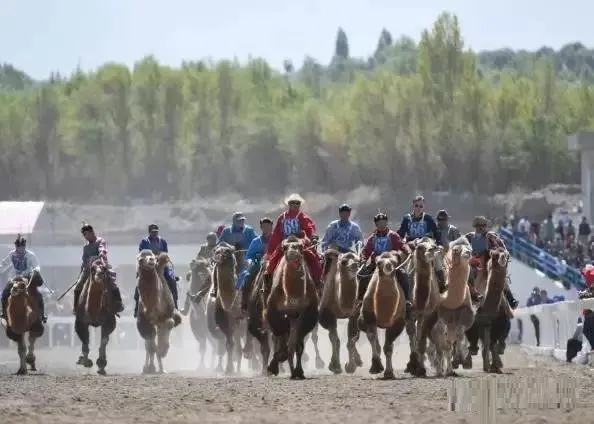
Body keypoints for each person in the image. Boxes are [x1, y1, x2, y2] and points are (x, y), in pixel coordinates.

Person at [262, 193, 323, 297]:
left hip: (300, 242)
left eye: (298, 203)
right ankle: (267, 283)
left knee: (313, 257)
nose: (295, 205)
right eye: (293, 203)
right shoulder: (282, 217)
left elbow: (309, 228)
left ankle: (318, 281)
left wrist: (312, 236)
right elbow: (276, 234)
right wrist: (270, 251)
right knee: (274, 258)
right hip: (286, 242)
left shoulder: (302, 216)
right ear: (288, 204)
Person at [357, 213, 412, 317]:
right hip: (377, 264)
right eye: (379, 223)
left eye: (383, 222)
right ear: (376, 224)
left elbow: (402, 245)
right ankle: (360, 301)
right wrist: (363, 258)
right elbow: (366, 251)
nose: (381, 225)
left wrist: (408, 251)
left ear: (387, 223)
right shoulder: (372, 238)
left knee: (404, 276)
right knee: (362, 276)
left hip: (391, 264)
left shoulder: (393, 236)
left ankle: (407, 301)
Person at [464, 216, 519, 307]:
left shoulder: (492, 236)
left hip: (490, 260)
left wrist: (499, 252)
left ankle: (510, 299)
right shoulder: (469, 237)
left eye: (483, 225)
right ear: (475, 227)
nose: (480, 228)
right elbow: (462, 247)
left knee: (500, 275)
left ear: (486, 226)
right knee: (468, 274)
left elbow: (503, 249)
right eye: (478, 226)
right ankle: (469, 296)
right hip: (475, 262)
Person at [72, 223, 124, 315]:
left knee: (113, 283)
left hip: (101, 266)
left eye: (86, 234)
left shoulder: (100, 241)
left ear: (92, 232)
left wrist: (101, 261)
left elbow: (102, 252)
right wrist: (83, 270)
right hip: (89, 269)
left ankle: (118, 303)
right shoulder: (85, 247)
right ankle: (76, 308)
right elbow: (84, 259)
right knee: (78, 286)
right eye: (84, 235)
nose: (85, 236)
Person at [397, 195, 445, 291]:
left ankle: (441, 280)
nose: (418, 208)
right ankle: (396, 278)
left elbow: (436, 233)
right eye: (416, 205)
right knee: (398, 256)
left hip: (425, 243)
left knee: (435, 256)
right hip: (411, 244)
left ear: (424, 207)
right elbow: (401, 233)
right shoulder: (407, 218)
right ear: (413, 205)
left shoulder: (428, 218)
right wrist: (395, 240)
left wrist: (439, 244)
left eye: (421, 206)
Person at [135, 224, 180, 317]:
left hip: (161, 264)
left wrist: (160, 257)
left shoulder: (162, 241)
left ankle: (175, 305)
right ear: (149, 232)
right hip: (148, 266)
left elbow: (165, 253)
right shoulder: (144, 242)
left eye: (156, 232)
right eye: (153, 232)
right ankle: (137, 308)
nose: (155, 233)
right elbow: (141, 254)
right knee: (139, 283)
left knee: (172, 280)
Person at [0, 234, 47, 323]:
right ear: (16, 247)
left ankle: (42, 315)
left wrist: (36, 270)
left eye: (22, 247)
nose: (20, 249)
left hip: (27, 278)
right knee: (5, 292)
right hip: (15, 278)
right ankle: (3, 312)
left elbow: (37, 265)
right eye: (19, 247)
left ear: (24, 247)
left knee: (38, 295)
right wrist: (1, 267)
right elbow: (4, 263)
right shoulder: (12, 254)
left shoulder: (30, 255)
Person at [237, 217, 274, 312]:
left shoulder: (277, 239)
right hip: (258, 265)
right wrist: (254, 259)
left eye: (269, 226)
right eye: (264, 226)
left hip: (274, 263)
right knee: (247, 278)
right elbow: (248, 256)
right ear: (261, 227)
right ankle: (244, 305)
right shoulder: (256, 241)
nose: (267, 228)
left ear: (272, 227)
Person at [320, 203, 364, 280]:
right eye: (343, 212)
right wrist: (325, 252)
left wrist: (359, 254)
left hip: (348, 252)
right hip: (334, 251)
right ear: (340, 213)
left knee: (357, 268)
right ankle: (322, 282)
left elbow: (360, 242)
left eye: (347, 212)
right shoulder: (333, 225)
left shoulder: (354, 227)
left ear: (349, 213)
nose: (345, 214)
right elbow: (325, 241)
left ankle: (357, 285)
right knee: (324, 265)